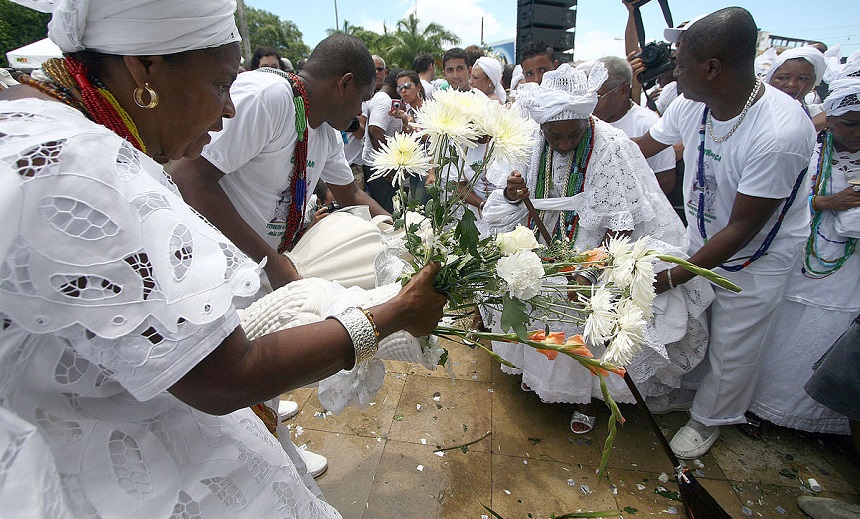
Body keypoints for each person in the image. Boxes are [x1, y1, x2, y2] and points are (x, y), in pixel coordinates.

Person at [0, 0, 446, 517]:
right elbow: (223, 377)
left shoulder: (41, 122)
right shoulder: (82, 170)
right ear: (144, 66)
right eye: (219, 84)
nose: (228, 108)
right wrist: (390, 316)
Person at [481, 62, 713, 434]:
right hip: (542, 239)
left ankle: (586, 399)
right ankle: (540, 378)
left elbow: (618, 225)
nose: (563, 144)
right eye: (554, 136)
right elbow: (503, 201)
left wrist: (587, 271)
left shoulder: (614, 147)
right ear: (541, 127)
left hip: (600, 245)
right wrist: (512, 194)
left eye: (571, 135)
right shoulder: (528, 140)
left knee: (587, 319)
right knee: (535, 304)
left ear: (585, 122)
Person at [635, 7, 817, 459]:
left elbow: (741, 228)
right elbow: (643, 148)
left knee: (736, 339)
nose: (673, 69)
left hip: (756, 254)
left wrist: (674, 275)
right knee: (697, 322)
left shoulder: (780, 131)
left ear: (712, 67)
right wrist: (585, 139)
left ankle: (711, 418)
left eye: (681, 61)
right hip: (702, 233)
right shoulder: (690, 101)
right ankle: (689, 392)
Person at [173, 34, 389, 292]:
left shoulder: (327, 133)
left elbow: (351, 194)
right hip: (210, 276)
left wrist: (405, 231)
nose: (360, 111)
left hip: (257, 277)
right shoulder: (267, 96)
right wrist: (271, 262)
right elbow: (188, 178)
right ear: (344, 84)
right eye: (363, 99)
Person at [747, 78, 860, 436]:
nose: (857, 133)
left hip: (846, 272)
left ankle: (819, 419)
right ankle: (763, 406)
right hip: (799, 259)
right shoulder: (806, 151)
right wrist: (826, 202)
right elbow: (774, 203)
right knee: (782, 331)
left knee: (824, 333)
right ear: (831, 118)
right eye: (850, 124)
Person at [591, 56, 677, 196]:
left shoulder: (648, 123)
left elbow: (666, 181)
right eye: (588, 94)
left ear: (624, 90)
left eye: (598, 96)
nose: (592, 101)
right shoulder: (586, 120)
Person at [361, 67, 404, 213]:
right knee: (388, 213)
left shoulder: (385, 98)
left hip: (380, 166)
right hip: (380, 168)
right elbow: (375, 131)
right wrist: (388, 165)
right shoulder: (384, 101)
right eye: (402, 86)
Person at [391, 69, 434, 205]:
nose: (403, 91)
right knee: (413, 209)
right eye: (399, 88)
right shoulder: (409, 112)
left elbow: (433, 140)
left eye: (407, 86)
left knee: (425, 213)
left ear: (418, 87)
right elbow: (408, 140)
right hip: (415, 168)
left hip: (429, 168)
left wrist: (432, 172)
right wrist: (405, 121)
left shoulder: (430, 109)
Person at [765, 46, 827, 129]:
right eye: (783, 77)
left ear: (813, 83)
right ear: (770, 79)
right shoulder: (750, 111)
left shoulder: (817, 115)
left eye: (803, 78)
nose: (791, 84)